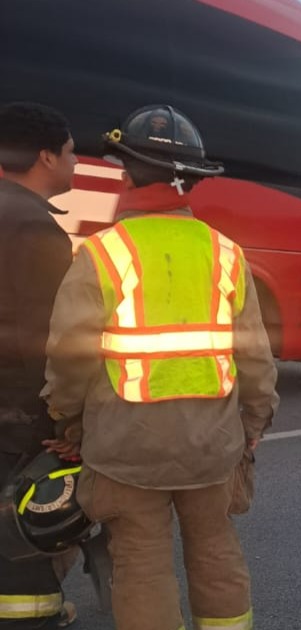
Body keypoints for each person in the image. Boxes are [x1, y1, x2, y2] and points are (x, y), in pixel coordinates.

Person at [41, 105, 279, 630]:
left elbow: (68, 357)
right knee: (215, 550)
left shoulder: (102, 254)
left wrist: (68, 421)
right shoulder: (227, 255)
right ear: (192, 181)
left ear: (125, 173)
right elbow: (256, 360)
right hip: (212, 449)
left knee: (142, 564)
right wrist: (255, 423)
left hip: (125, 450)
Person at [0, 102, 79, 628]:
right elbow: (47, 341)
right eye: (72, 152)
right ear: (46, 156)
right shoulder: (36, 231)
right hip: (15, 414)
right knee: (21, 532)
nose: (76, 162)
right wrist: (63, 421)